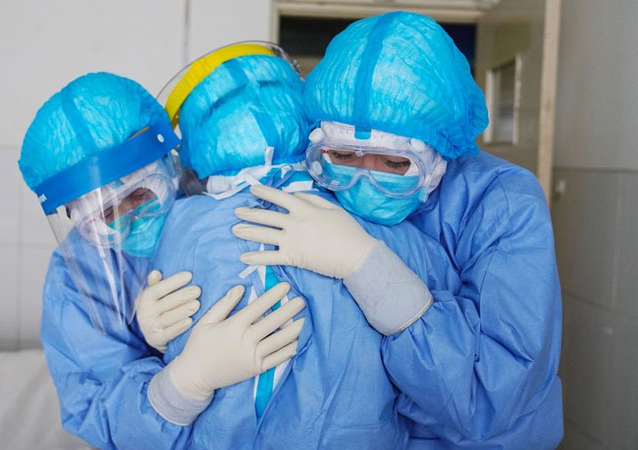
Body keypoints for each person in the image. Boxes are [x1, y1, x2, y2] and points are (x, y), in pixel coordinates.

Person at [232, 12, 564, 449]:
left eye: (393, 163)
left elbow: (490, 394)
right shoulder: (315, 183)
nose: (363, 179)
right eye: (344, 156)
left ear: (439, 153)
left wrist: (367, 267)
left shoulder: (501, 202)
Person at [144, 42, 461, 449]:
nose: (368, 171)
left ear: (192, 140)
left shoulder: (177, 225)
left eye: (393, 164)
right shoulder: (380, 222)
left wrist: (162, 356)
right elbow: (451, 380)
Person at [19, 71, 302, 449]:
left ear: (169, 165)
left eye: (140, 196)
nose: (131, 220)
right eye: (106, 215)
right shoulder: (77, 277)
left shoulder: (225, 203)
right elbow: (98, 411)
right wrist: (183, 383)